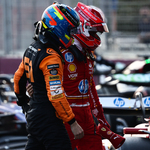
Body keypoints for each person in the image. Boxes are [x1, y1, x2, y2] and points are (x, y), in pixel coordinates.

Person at [27, 2, 125, 150]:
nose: (96, 37)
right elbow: (36, 76)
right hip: (64, 118)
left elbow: (91, 90)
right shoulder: (58, 51)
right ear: (83, 29)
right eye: (93, 32)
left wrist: (102, 120)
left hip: (87, 117)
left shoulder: (88, 54)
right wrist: (31, 86)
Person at [14, 3, 84, 150]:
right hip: (48, 120)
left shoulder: (31, 48)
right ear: (59, 28)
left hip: (34, 117)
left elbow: (18, 78)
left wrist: (25, 104)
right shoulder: (51, 58)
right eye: (70, 30)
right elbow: (56, 95)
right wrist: (72, 122)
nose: (72, 34)